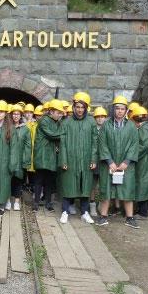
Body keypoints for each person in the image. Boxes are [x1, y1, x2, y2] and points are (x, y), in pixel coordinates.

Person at [96, 96, 139, 229]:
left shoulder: (131, 126)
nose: (120, 111)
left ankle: (129, 217)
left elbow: (134, 145)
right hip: (109, 165)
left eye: (122, 109)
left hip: (126, 166)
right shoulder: (106, 126)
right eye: (117, 108)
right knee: (106, 189)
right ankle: (103, 216)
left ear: (126, 110)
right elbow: (102, 144)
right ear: (113, 109)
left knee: (127, 190)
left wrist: (126, 162)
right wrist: (109, 161)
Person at [59, 92, 97, 224]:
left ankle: (85, 212)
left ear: (86, 108)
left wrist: (93, 159)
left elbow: (95, 142)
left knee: (85, 186)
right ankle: (65, 211)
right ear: (73, 107)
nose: (80, 110)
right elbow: (62, 143)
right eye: (78, 107)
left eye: (82, 107)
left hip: (86, 160)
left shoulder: (91, 122)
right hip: (71, 159)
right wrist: (63, 160)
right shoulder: (66, 122)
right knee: (68, 185)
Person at [32, 99, 66, 212]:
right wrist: (65, 135)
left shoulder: (56, 122)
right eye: (58, 112)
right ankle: (36, 203)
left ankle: (48, 203)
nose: (60, 114)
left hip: (50, 155)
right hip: (42, 154)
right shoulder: (44, 121)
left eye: (61, 113)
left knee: (49, 181)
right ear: (51, 111)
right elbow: (52, 134)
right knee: (39, 180)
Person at [131, 106, 148, 220]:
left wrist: (132, 156)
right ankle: (141, 210)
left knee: (142, 185)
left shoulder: (143, 129)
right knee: (143, 184)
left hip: (144, 160)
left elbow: (144, 146)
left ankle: (143, 213)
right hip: (146, 160)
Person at [8, 104, 31, 211]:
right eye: (14, 114)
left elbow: (28, 146)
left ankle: (16, 201)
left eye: (18, 114)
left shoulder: (25, 129)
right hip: (8, 159)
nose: (15, 116)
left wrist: (26, 161)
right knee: (7, 180)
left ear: (21, 115)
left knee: (18, 180)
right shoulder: (7, 127)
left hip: (20, 159)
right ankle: (7, 200)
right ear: (11, 115)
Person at [89, 106, 108, 216]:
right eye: (98, 117)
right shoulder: (92, 129)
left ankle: (101, 204)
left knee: (104, 184)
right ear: (95, 118)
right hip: (94, 160)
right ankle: (92, 205)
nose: (100, 119)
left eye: (102, 117)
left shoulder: (109, 129)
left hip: (105, 161)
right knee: (92, 184)